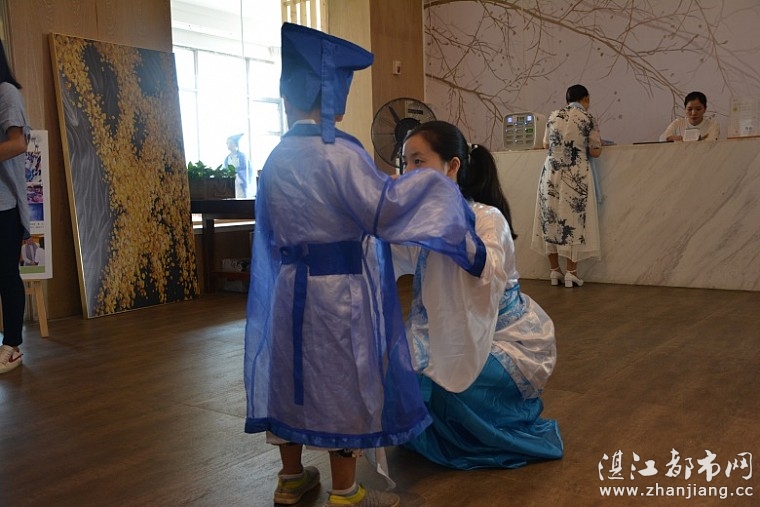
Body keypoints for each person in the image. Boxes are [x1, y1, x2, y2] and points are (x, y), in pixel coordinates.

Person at [244, 23, 486, 507]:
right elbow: (384, 212)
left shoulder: (276, 156)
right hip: (337, 290)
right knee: (344, 381)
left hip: (289, 285)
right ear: (333, 92)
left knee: (289, 377)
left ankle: (290, 479)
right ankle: (345, 491)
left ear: (289, 94)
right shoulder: (341, 154)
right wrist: (434, 186)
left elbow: (268, 229)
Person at [395, 120, 563, 470]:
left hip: (501, 337)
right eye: (405, 163)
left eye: (418, 161)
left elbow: (483, 268)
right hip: (440, 330)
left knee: (448, 383)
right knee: (403, 371)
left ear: (452, 166)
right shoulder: (421, 219)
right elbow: (392, 250)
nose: (408, 172)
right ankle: (444, 437)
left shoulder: (487, 218)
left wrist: (444, 220)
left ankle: (484, 433)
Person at [531, 84, 602, 288]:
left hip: (551, 171)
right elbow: (595, 150)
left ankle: (555, 270)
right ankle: (572, 272)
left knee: (550, 217)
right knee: (574, 219)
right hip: (575, 172)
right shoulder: (588, 118)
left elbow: (546, 144)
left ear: (567, 100)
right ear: (585, 99)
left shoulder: (553, 116)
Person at [0, 40, 31, 374]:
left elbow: (18, 142)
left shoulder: (6, 92)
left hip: (4, 204)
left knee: (6, 274)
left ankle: (12, 346)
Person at [223, 133, 251, 198]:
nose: (229, 145)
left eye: (230, 143)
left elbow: (246, 169)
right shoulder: (227, 158)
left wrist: (237, 172)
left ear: (235, 144)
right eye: (227, 143)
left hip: (240, 182)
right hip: (231, 182)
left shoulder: (242, 156)